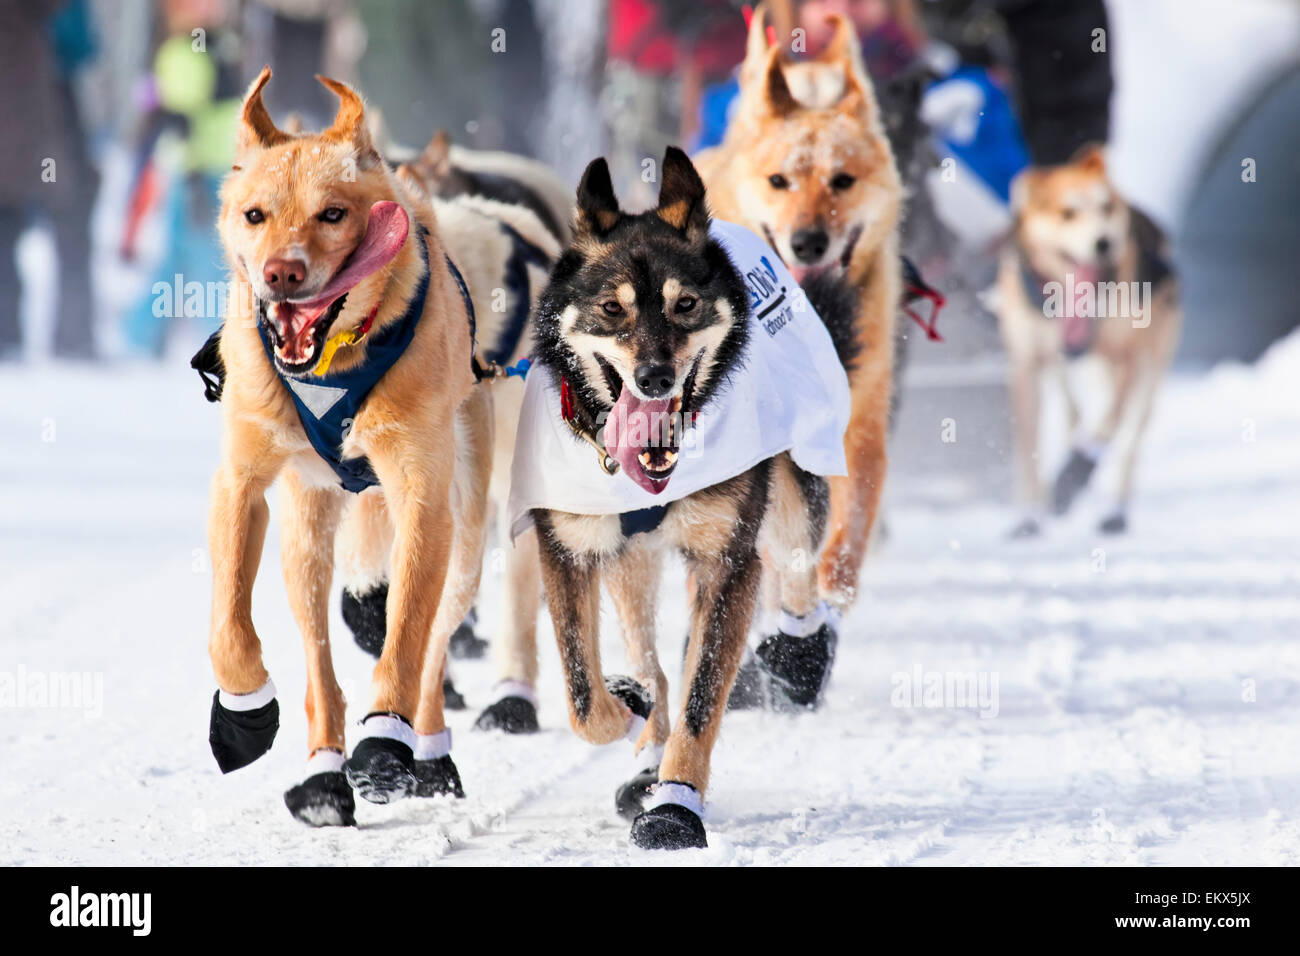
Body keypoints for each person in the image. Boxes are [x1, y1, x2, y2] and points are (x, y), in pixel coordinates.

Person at [0, 0, 101, 360]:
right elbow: (82, 46)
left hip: (29, 120)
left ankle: (8, 335)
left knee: (7, 229)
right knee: (71, 216)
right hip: (43, 115)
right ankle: (73, 336)